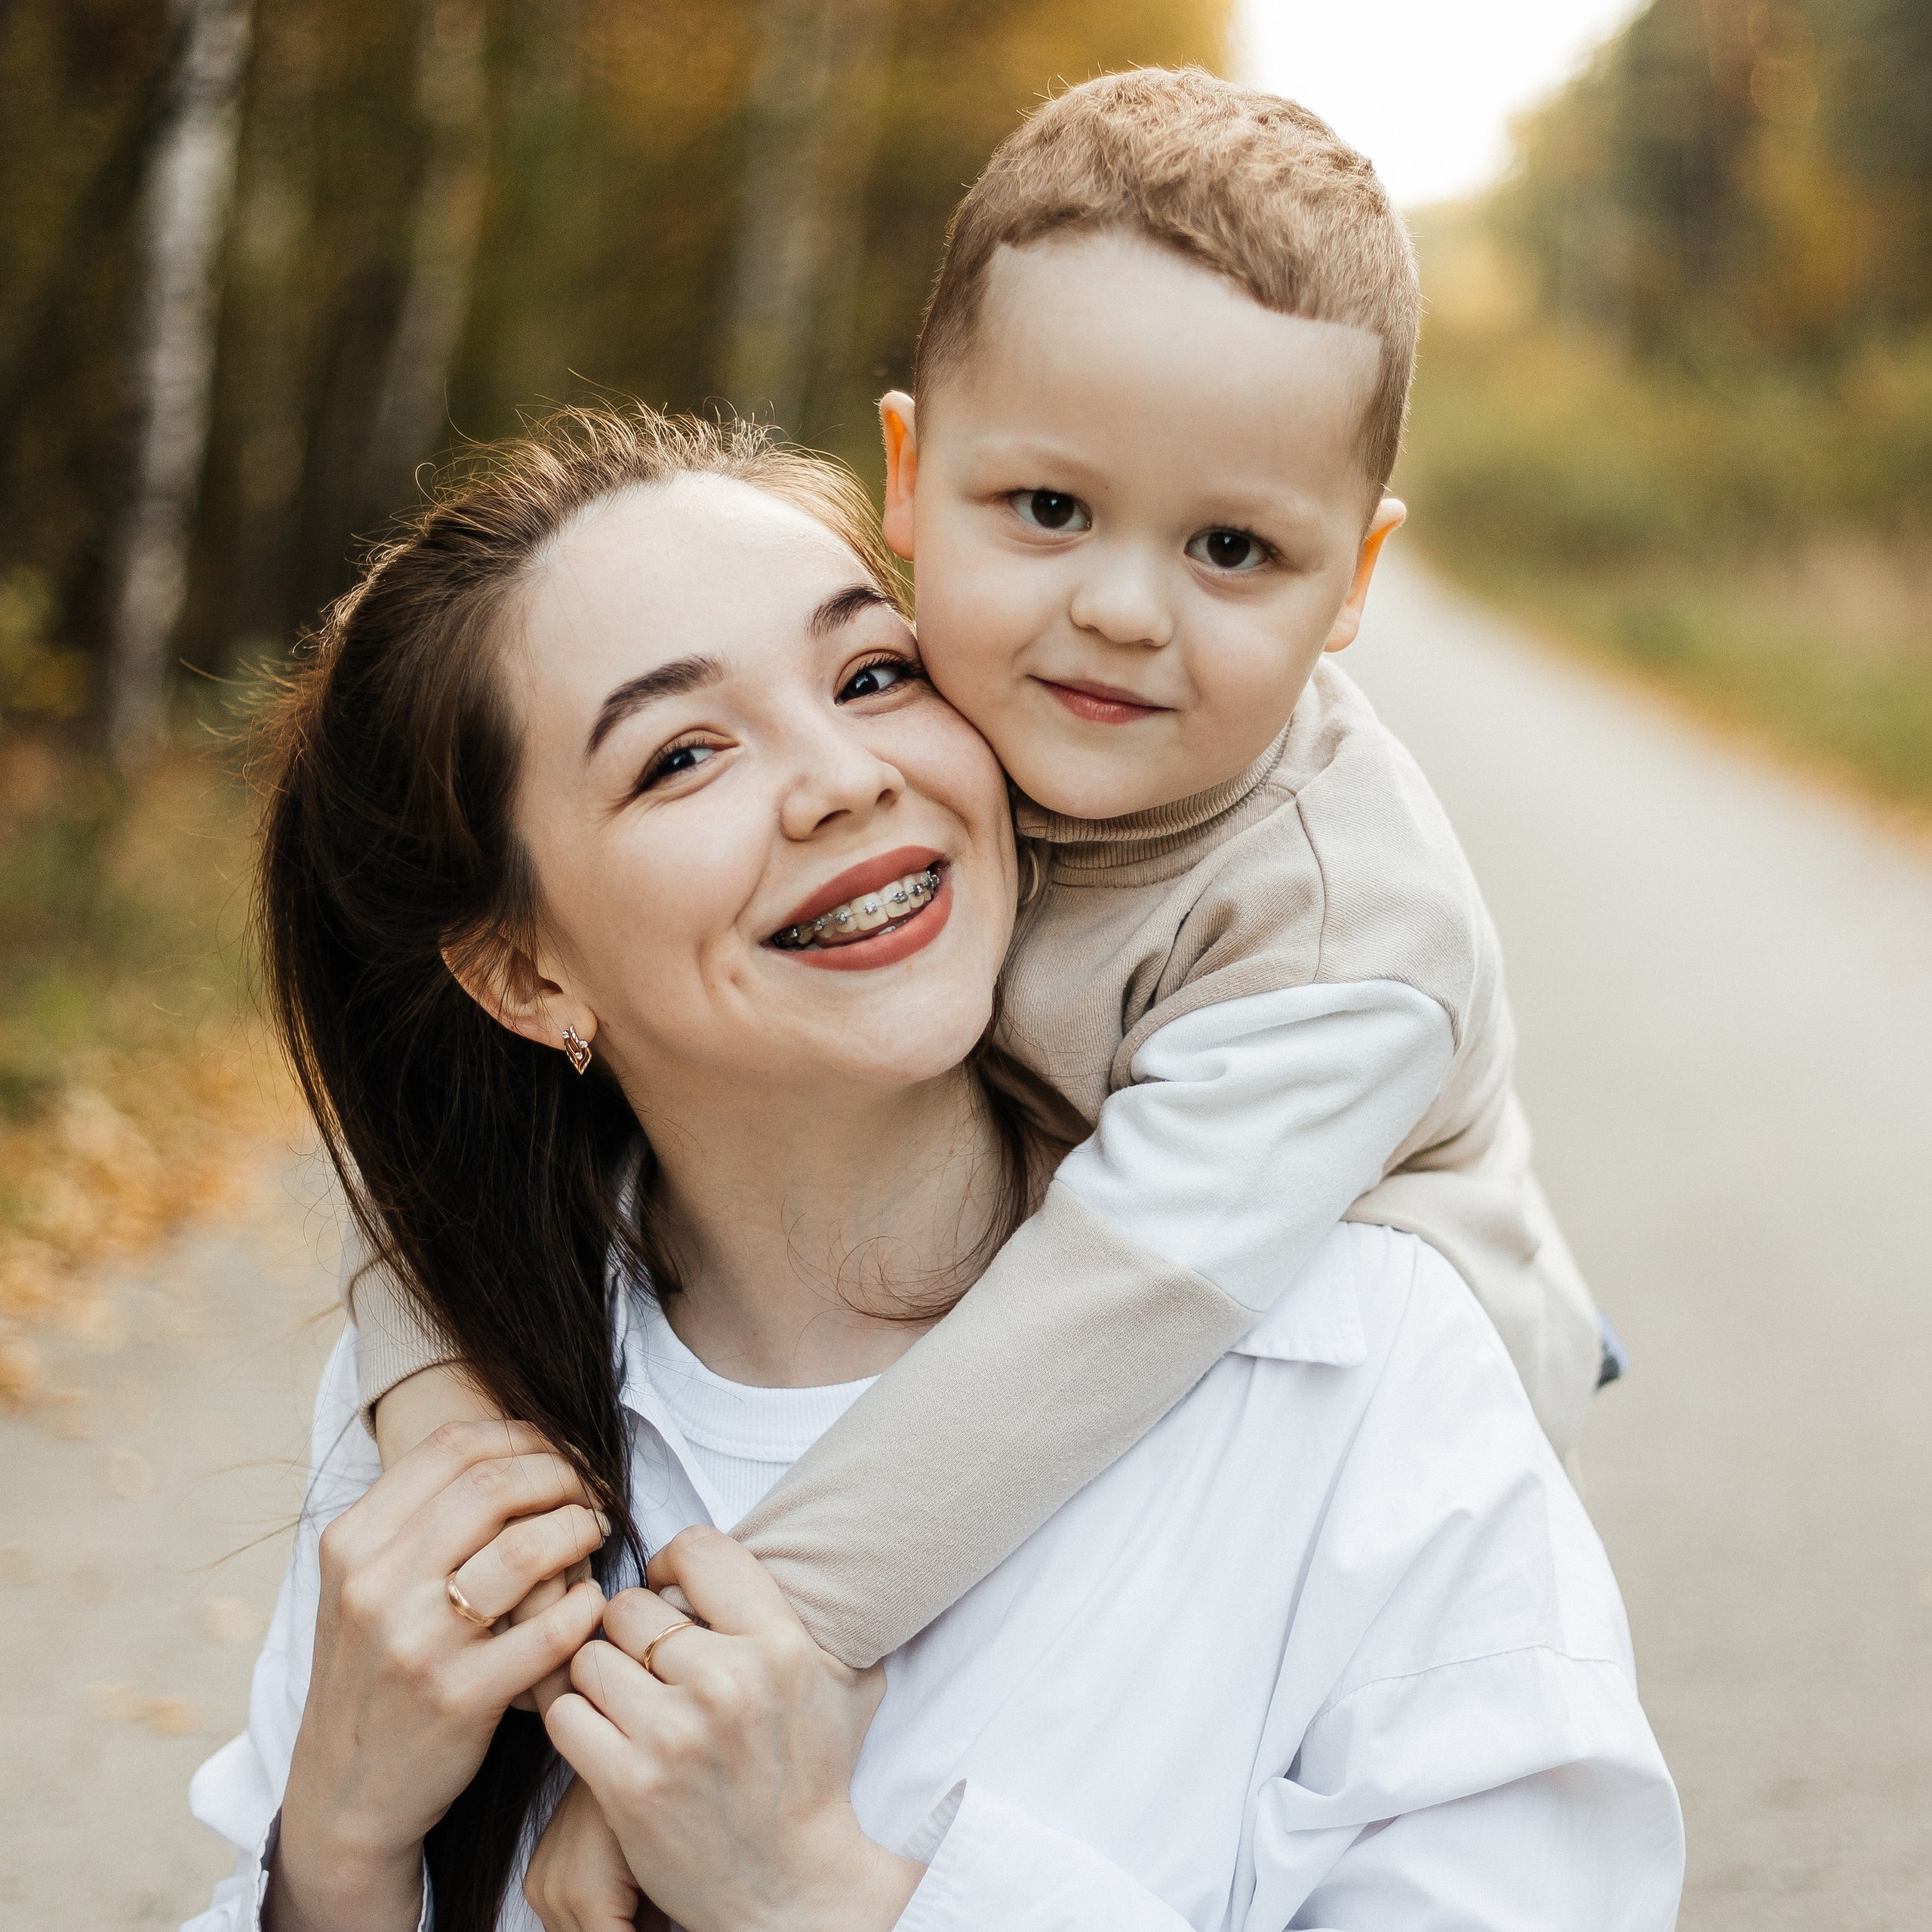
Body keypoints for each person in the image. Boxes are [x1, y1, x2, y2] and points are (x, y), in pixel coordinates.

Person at [186, 405, 1680, 1930]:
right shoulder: (452, 1430)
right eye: (682, 754)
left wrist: (823, 1894)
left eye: (871, 673)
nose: (838, 775)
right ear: (523, 973)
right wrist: (338, 1857)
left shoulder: (1359, 1352)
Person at [351, 67, 1610, 1677]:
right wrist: (438, 1403)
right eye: (1046, 507)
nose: (1124, 611)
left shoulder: (1338, 935)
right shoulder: (920, 728)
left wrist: (718, 1662)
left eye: (1230, 548)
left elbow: (1100, 1310)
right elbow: (459, 1082)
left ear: (1352, 574)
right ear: (909, 474)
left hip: (1323, 1517)